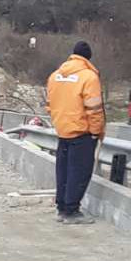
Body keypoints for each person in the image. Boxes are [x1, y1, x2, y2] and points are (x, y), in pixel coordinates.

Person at [45, 41, 105, 224]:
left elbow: (49, 105)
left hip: (63, 131)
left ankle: (62, 208)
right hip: (82, 132)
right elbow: (94, 109)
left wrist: (60, 122)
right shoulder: (89, 77)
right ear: (88, 58)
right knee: (78, 173)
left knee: (63, 172)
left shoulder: (55, 76)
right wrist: (96, 131)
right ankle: (71, 211)